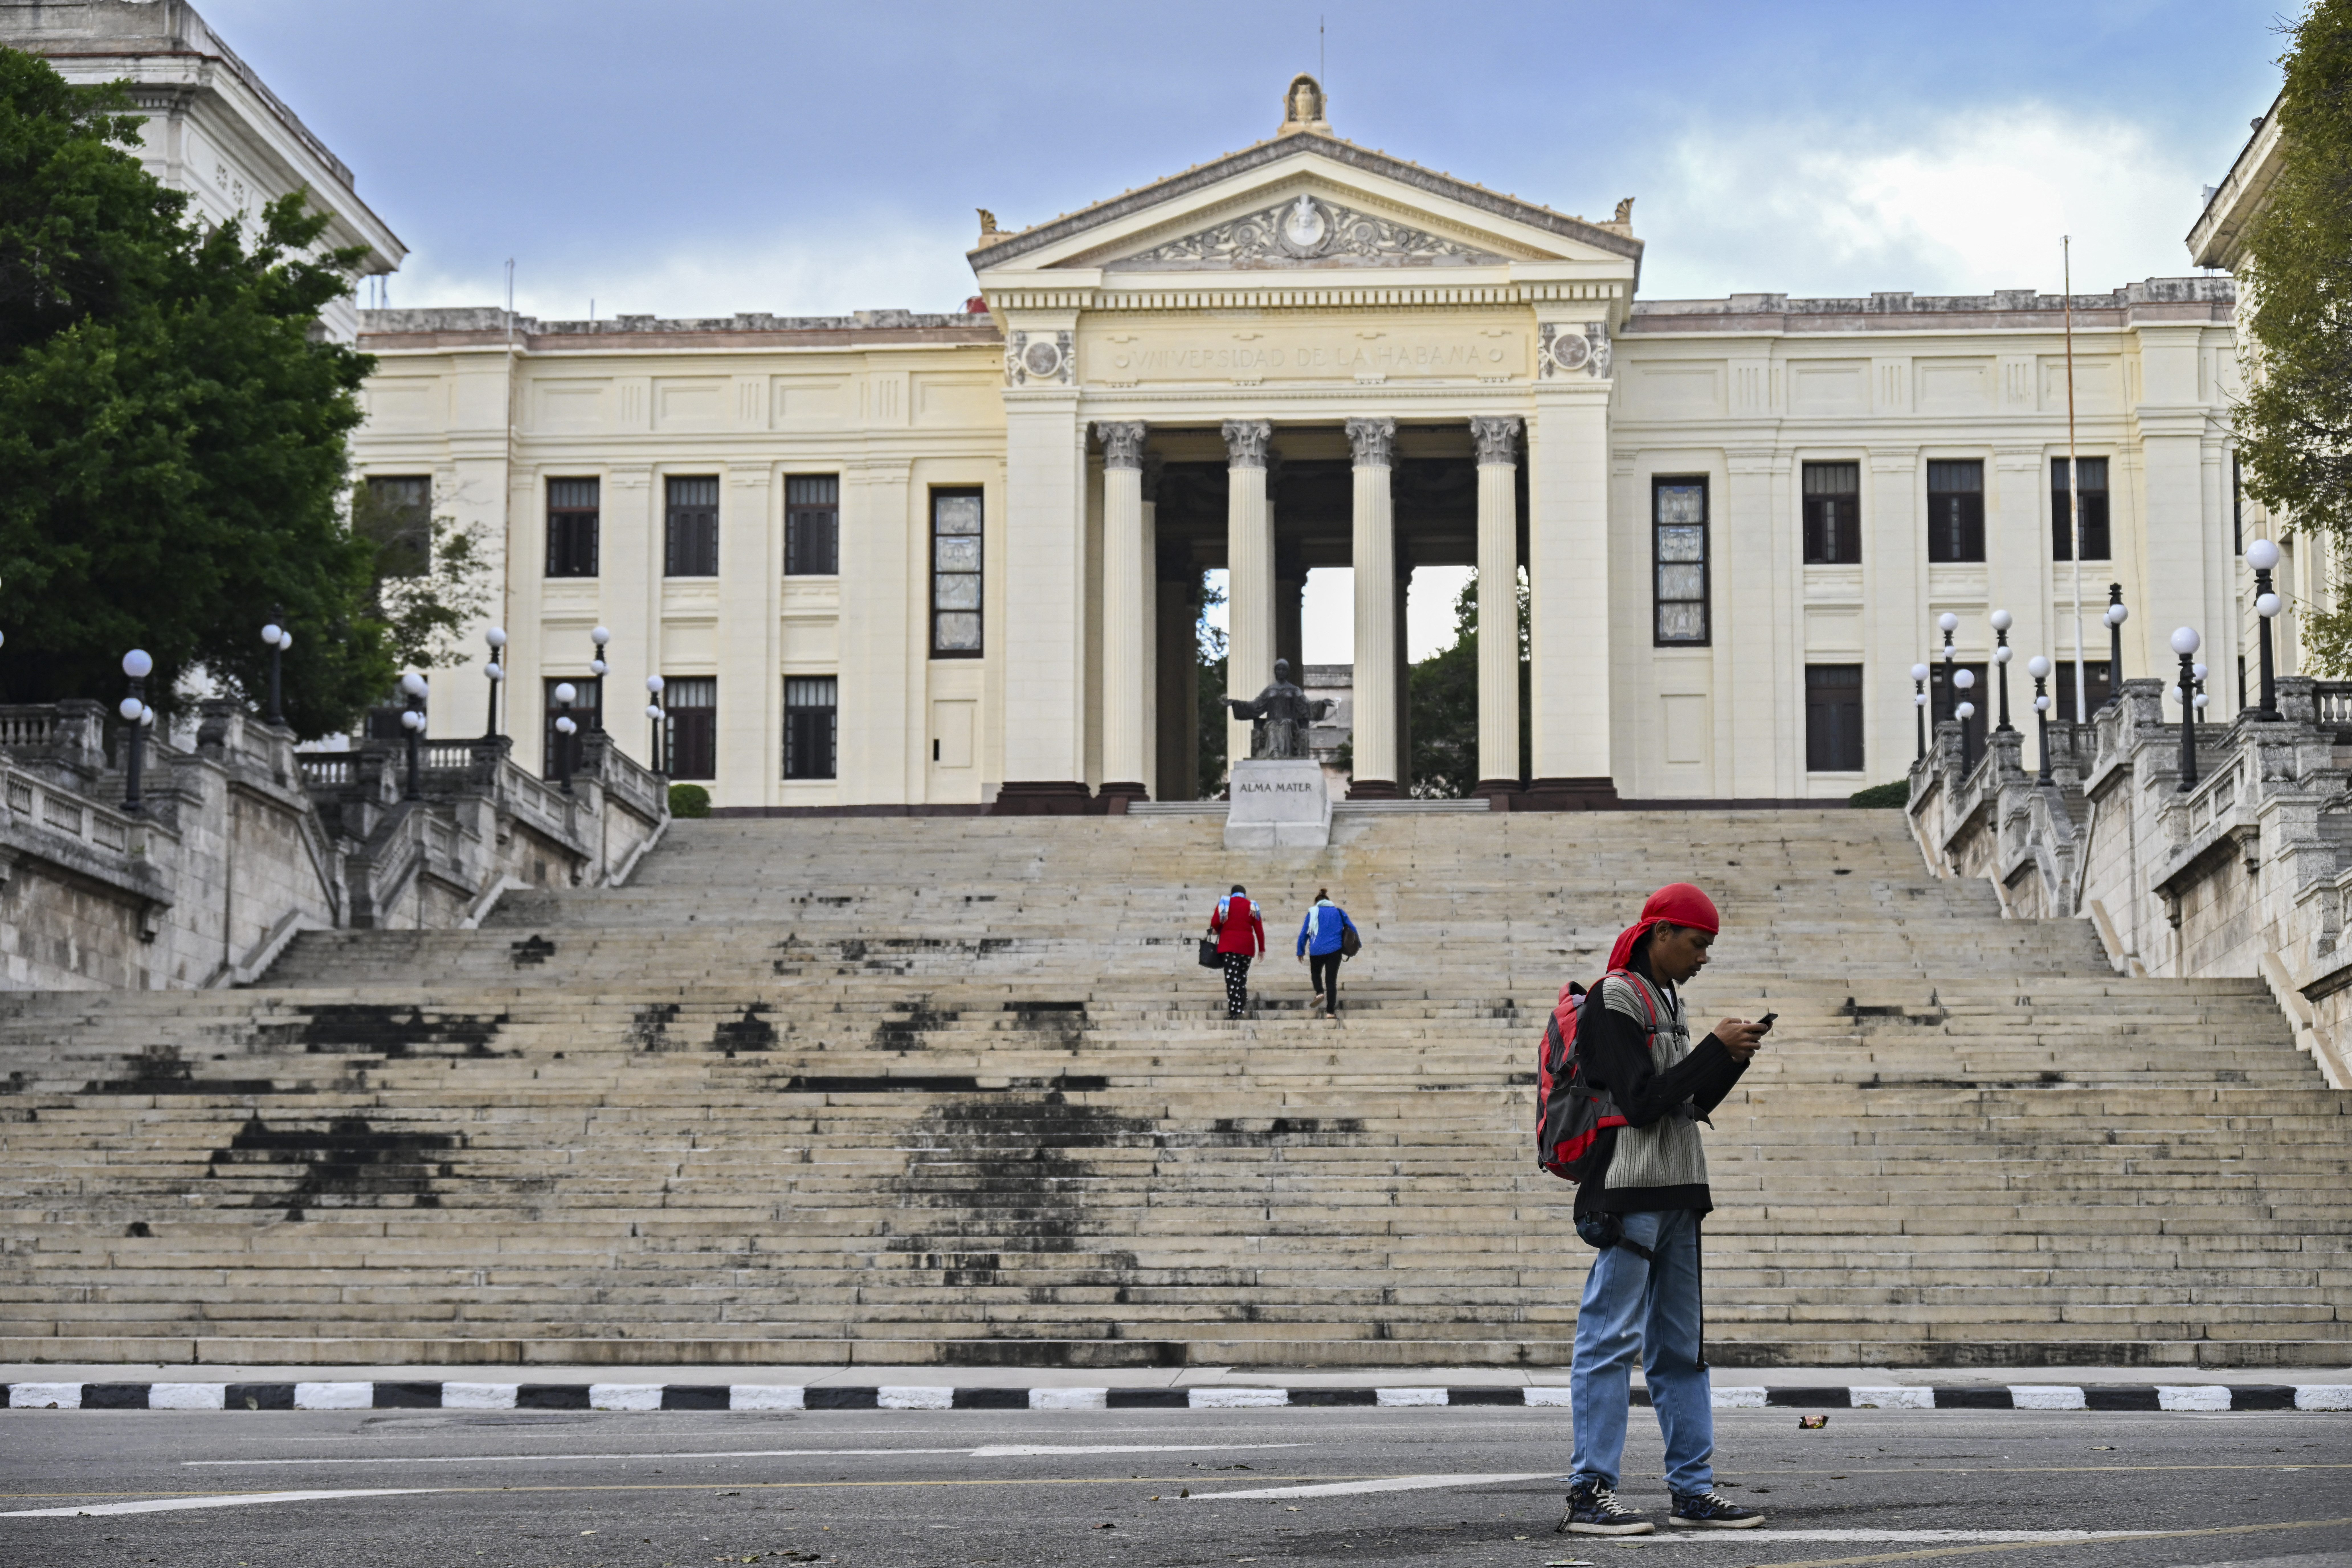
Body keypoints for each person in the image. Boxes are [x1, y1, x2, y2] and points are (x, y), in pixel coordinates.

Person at [1559, 882, 1770, 1537]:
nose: (1703, 956)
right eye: (1697, 943)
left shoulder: (1667, 999)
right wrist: (1710, 1046)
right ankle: (1589, 1492)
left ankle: (1692, 1489)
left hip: (1679, 1192)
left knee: (1680, 1350)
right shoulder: (1614, 996)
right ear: (1661, 934)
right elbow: (1641, 1100)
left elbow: (1685, 1106)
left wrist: (1729, 1060)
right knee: (1608, 1342)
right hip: (1630, 1195)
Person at [1295, 888, 1358, 1019]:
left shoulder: (1312, 913)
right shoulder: (1339, 912)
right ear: (1329, 902)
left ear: (1317, 903)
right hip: (1335, 950)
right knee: (1331, 981)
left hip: (1317, 950)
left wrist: (1300, 951)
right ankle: (1330, 1012)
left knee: (1316, 973)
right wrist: (1357, 946)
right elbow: (1353, 929)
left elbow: (1304, 934)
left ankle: (1319, 992)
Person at [1208, 884, 1265, 1020]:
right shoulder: (1253, 906)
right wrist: (1262, 949)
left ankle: (1235, 1011)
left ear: (1232, 893)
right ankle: (1242, 996)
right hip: (1247, 947)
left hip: (1229, 946)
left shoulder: (1225, 903)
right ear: (1245, 894)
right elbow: (1259, 929)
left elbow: (1215, 922)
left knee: (1232, 979)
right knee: (1241, 975)